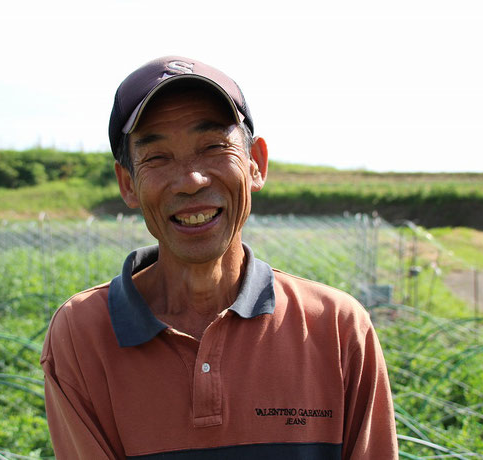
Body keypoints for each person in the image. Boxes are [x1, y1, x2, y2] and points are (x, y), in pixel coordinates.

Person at [41, 56, 397, 459]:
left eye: (213, 147)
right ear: (128, 184)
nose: (192, 180)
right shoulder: (83, 333)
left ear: (255, 165)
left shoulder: (335, 327)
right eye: (157, 157)